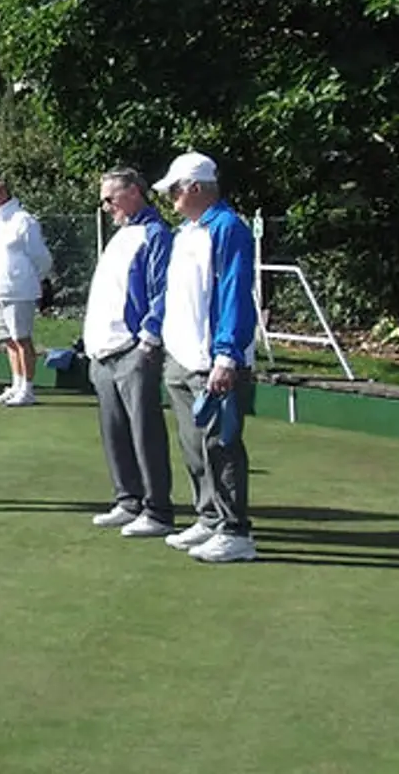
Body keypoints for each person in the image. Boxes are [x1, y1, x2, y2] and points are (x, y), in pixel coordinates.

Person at [152, 151, 259, 564]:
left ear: (195, 188)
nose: (172, 198)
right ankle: (209, 516)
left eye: (176, 190)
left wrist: (226, 357)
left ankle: (235, 531)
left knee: (221, 444)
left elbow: (234, 293)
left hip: (213, 360)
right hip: (181, 356)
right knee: (193, 444)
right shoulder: (186, 232)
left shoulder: (228, 229)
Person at [81, 167, 176, 538]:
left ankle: (158, 510)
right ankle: (128, 500)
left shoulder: (155, 234)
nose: (106, 206)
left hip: (132, 351)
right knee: (115, 431)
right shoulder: (120, 236)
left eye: (110, 198)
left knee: (144, 431)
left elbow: (162, 291)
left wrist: (149, 339)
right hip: (103, 352)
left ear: (134, 192)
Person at [0, 179, 53, 407]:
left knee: (22, 339)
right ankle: (16, 384)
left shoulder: (23, 220)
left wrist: (34, 279)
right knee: (8, 341)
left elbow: (40, 256)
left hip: (18, 290)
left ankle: (28, 389)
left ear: (3, 194)